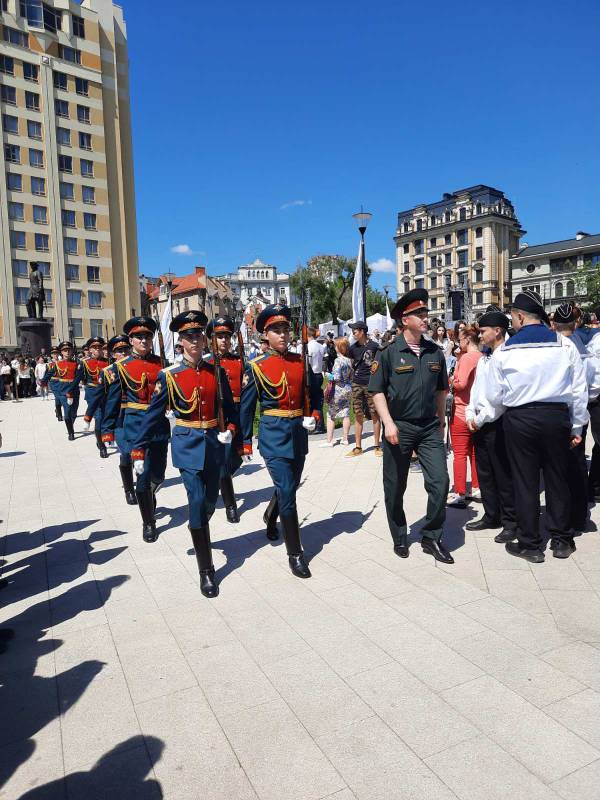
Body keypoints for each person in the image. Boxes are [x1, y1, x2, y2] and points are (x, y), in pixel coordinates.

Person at [131, 311, 237, 597]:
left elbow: (230, 407)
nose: (195, 341)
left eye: (198, 335)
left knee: (209, 503)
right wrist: (138, 449)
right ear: (180, 342)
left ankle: (199, 522)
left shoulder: (217, 372)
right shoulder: (170, 376)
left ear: (204, 340)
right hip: (187, 445)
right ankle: (207, 571)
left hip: (214, 445)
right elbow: (152, 416)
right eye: (189, 337)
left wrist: (231, 428)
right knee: (197, 499)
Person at [485, 290, 588, 562]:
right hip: (556, 416)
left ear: (519, 316)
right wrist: (577, 427)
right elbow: (579, 390)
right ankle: (562, 541)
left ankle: (530, 544)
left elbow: (495, 396)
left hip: (520, 419)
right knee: (557, 479)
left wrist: (488, 417)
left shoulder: (505, 350)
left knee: (525, 482)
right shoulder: (564, 345)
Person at [369, 288, 453, 564]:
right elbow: (377, 391)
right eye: (419, 313)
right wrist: (388, 424)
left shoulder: (435, 352)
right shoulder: (389, 353)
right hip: (399, 427)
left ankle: (431, 536)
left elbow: (441, 390)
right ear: (405, 320)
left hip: (429, 427)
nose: (425, 317)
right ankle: (399, 534)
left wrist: (441, 422)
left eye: (425, 312)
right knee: (395, 486)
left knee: (441, 482)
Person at [240, 303, 319, 578]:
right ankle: (295, 553)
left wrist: (315, 414)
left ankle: (270, 516)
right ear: (265, 335)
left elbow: (315, 392)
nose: (283, 335)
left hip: (297, 433)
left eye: (286, 329)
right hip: (273, 435)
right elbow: (247, 407)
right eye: (276, 330)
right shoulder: (256, 367)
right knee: (286, 490)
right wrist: (245, 441)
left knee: (290, 487)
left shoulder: (301, 361)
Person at [102, 316, 170, 542]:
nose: (144, 340)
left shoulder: (162, 363)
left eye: (147, 336)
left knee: (158, 475)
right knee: (141, 476)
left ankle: (149, 495)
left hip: (159, 427)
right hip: (136, 428)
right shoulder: (120, 368)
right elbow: (112, 400)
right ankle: (148, 522)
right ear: (131, 340)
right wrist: (107, 428)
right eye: (139, 337)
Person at [465, 312, 517, 541]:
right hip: (480, 422)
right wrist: (469, 412)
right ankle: (491, 514)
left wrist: (479, 419)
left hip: (497, 423)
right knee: (485, 472)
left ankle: (510, 521)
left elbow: (500, 399)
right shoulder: (485, 357)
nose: (481, 335)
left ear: (497, 331)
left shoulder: (507, 356)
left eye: (484, 330)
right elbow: (476, 390)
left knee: (503, 474)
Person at [552, 303, 594, 534]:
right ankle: (579, 515)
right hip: (579, 413)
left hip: (560, 414)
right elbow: (588, 385)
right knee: (577, 466)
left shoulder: (555, 346)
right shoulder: (582, 345)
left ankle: (564, 517)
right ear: (575, 323)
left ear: (554, 324)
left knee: (558, 468)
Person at [205, 315, 244, 523]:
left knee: (236, 459)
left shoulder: (238, 362)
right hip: (219, 416)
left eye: (227, 336)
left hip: (238, 413)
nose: (224, 341)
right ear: (211, 339)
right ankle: (231, 504)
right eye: (219, 337)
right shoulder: (206, 363)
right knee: (222, 462)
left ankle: (219, 479)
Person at [447, 325, 482, 507]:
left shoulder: (467, 358)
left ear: (467, 340)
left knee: (460, 453)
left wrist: (452, 379)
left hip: (461, 411)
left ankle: (459, 491)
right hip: (477, 413)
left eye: (460, 340)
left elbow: (460, 385)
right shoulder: (483, 357)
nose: (458, 344)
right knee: (474, 453)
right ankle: (476, 486)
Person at [101, 335, 136, 505]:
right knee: (127, 453)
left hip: (136, 415)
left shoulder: (136, 367)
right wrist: (106, 428)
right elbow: (106, 401)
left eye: (125, 349)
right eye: (119, 351)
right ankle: (129, 489)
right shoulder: (109, 372)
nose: (123, 353)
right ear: (113, 354)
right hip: (120, 418)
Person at [347, 321, 382, 457]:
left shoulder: (374, 346)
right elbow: (351, 363)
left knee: (374, 414)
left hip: (371, 384)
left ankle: (377, 446)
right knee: (358, 414)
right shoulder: (352, 348)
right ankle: (358, 447)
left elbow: (379, 363)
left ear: (362, 331)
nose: (353, 333)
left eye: (355, 331)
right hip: (356, 383)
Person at [72, 337, 109, 458]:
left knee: (106, 419)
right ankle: (101, 445)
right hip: (93, 393)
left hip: (107, 394)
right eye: (94, 347)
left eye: (100, 347)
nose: (97, 349)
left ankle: (104, 437)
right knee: (99, 419)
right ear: (90, 350)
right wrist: (70, 391)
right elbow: (78, 378)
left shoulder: (109, 362)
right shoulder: (84, 363)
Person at [320, 337, 352, 447]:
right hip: (347, 388)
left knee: (330, 414)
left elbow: (336, 377)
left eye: (335, 345)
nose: (334, 347)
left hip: (337, 389)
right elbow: (350, 376)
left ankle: (329, 441)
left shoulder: (338, 361)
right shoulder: (349, 360)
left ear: (339, 347)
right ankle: (345, 439)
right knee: (346, 413)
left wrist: (325, 374)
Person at [45, 341, 80, 440]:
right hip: (63, 390)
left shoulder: (77, 363)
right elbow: (49, 373)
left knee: (74, 413)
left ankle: (70, 424)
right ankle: (71, 432)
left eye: (69, 350)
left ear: (72, 351)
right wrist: (43, 381)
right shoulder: (57, 364)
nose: (67, 352)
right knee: (67, 412)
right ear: (62, 352)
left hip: (74, 391)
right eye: (65, 350)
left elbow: (79, 376)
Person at [307, 326, 326, 433]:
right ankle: (319, 424)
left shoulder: (309, 346)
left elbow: (308, 363)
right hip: (319, 373)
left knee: (310, 401)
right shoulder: (320, 346)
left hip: (312, 374)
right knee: (318, 400)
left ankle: (314, 425)